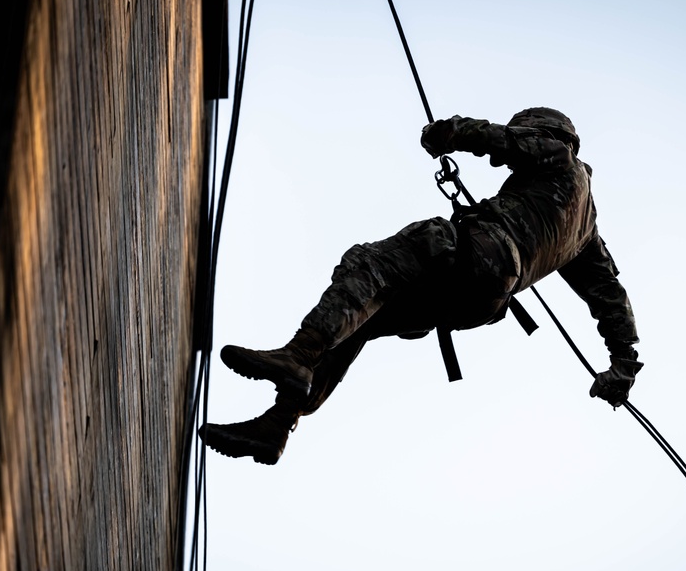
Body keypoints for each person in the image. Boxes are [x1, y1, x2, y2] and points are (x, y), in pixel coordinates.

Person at [199, 107, 642, 465]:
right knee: (364, 319)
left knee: (368, 265)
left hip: (475, 255)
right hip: (479, 303)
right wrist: (622, 366)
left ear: (547, 135)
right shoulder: (587, 233)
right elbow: (611, 299)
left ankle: (298, 354)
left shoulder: (558, 156)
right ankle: (277, 424)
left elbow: (502, 141)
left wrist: (452, 132)